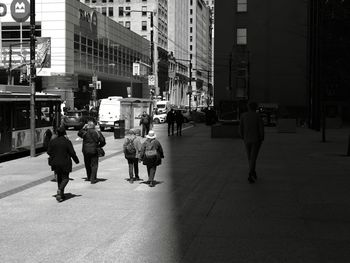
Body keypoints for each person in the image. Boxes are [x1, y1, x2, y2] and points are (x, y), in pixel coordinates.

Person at [47, 127, 79, 202]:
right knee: (65, 178)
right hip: (65, 162)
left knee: (59, 178)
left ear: (57, 133)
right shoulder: (67, 142)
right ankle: (60, 190)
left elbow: (48, 152)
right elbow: (72, 153)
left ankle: (61, 195)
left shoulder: (53, 141)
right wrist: (76, 160)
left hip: (55, 162)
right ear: (64, 133)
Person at [239, 101, 265, 183]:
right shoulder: (258, 116)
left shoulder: (243, 115)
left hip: (247, 139)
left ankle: (253, 172)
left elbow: (240, 128)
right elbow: (261, 128)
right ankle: (251, 173)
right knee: (253, 157)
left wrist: (242, 136)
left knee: (249, 156)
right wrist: (262, 137)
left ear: (248, 107)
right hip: (256, 139)